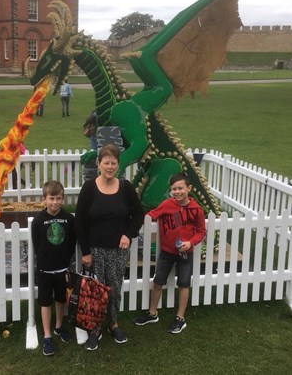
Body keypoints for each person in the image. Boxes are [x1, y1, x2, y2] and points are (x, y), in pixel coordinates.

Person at [75, 143, 144, 350]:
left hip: (118, 251)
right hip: (95, 251)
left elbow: (138, 215)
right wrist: (85, 251)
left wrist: (128, 234)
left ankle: (113, 323)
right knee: (96, 291)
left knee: (114, 289)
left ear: (118, 165)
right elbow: (80, 221)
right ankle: (95, 329)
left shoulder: (125, 187)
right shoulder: (89, 188)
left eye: (114, 163)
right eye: (106, 162)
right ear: (99, 164)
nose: (110, 166)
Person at [134, 172, 206, 334]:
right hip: (166, 252)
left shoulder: (197, 210)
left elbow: (201, 232)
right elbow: (152, 215)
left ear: (189, 188)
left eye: (180, 188)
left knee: (184, 284)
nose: (177, 192)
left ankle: (180, 318)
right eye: (174, 189)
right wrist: (141, 220)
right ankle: (152, 313)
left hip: (186, 254)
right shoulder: (167, 204)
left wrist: (190, 243)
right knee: (158, 282)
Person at [31, 180, 77, 356]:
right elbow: (37, 243)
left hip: (62, 269)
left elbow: (72, 241)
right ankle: (47, 335)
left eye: (58, 198)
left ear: (63, 199)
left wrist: (65, 259)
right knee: (45, 302)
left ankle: (58, 326)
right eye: (51, 198)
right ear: (44, 199)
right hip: (44, 270)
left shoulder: (68, 219)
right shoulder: (38, 221)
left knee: (60, 300)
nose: (55, 202)